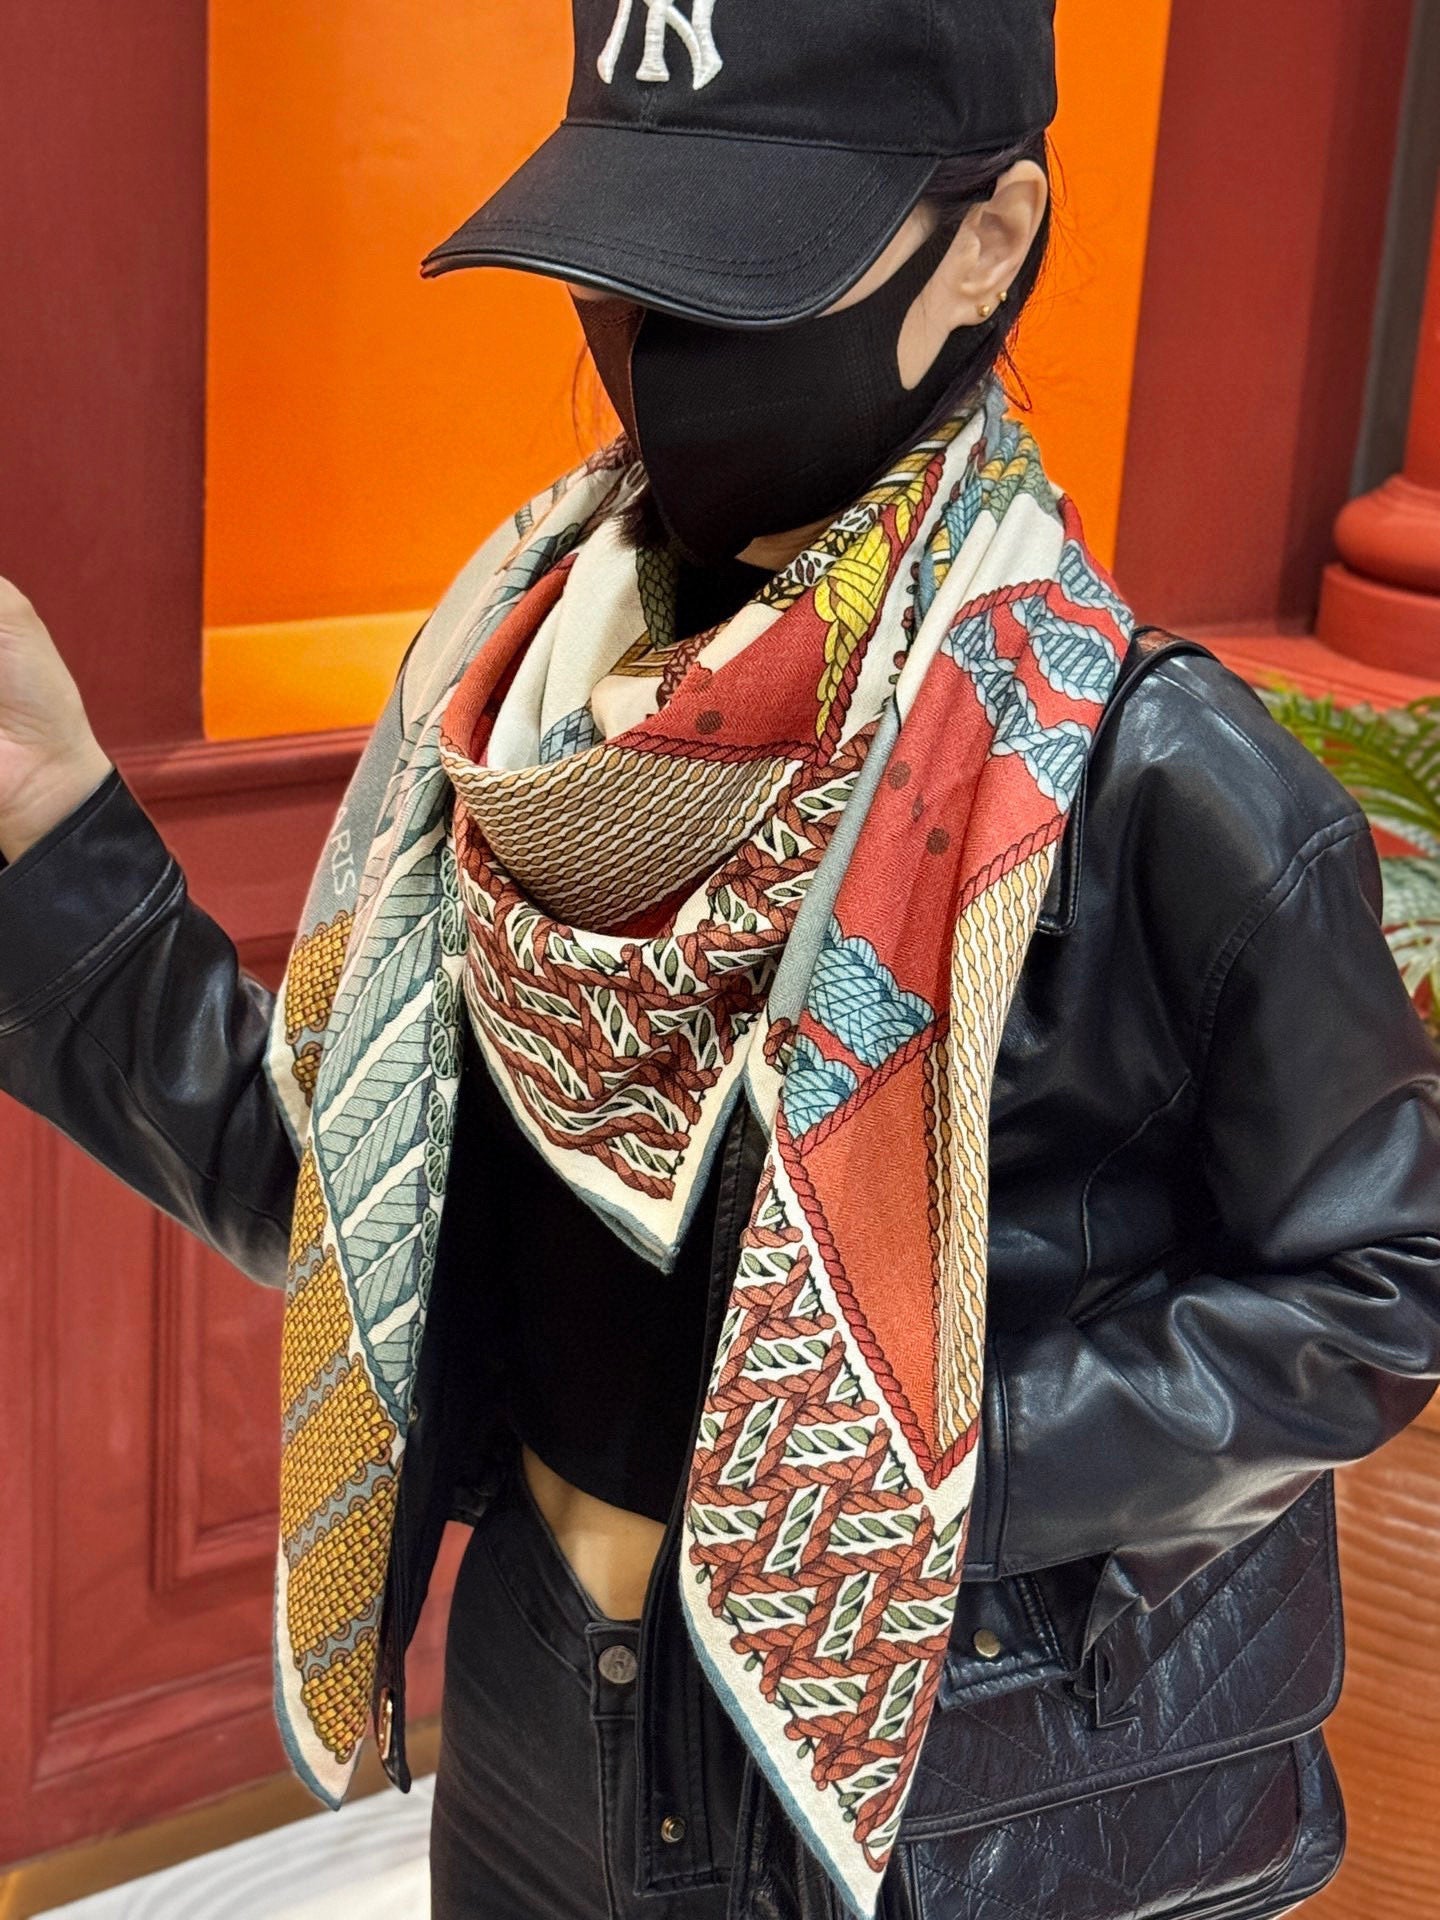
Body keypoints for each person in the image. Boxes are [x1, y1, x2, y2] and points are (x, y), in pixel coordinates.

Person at [3, 3, 1440, 1917]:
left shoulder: (1155, 776)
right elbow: (350, 1204)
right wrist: (52, 834)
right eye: (626, 257)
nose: (661, 337)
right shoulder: (512, 709)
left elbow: (1381, 1278)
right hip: (534, 1715)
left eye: (743, 266)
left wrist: (897, 1482)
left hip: (929, 1790)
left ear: (989, 242)